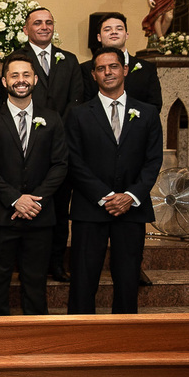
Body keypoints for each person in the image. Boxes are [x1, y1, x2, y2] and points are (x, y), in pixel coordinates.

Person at [65, 47, 163, 314]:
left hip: (132, 210)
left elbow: (153, 160)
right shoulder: (78, 114)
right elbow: (74, 161)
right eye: (101, 68)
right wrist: (105, 195)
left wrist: (130, 196)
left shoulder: (148, 113)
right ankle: (80, 336)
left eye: (113, 66)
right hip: (90, 208)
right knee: (84, 278)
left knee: (128, 277)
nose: (108, 72)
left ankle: (124, 335)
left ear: (125, 70)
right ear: (94, 75)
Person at [0, 52, 68, 317]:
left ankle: (35, 342)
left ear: (36, 79)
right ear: (4, 80)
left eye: (26, 75)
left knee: (35, 282)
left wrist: (34, 199)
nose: (21, 80)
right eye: (15, 75)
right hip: (1, 215)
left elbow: (60, 164)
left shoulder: (52, 118)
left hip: (39, 217)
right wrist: (15, 199)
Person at [24, 6, 84, 283]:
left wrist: (57, 132)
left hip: (61, 146)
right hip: (26, 145)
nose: (44, 27)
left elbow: (76, 102)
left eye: (49, 22)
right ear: (26, 29)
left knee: (60, 208)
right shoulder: (17, 59)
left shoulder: (69, 60)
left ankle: (57, 263)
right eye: (38, 23)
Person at [81, 12, 163, 109]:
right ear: (99, 37)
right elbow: (83, 105)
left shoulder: (147, 68)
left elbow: (154, 105)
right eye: (107, 29)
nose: (114, 32)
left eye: (119, 29)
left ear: (126, 35)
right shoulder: (85, 69)